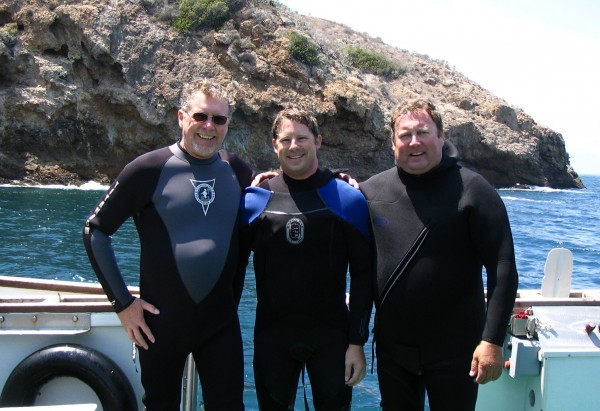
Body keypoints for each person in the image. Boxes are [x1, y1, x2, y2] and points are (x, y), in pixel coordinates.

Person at [82, 79, 252, 410]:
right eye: (200, 116)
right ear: (181, 117)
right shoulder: (149, 169)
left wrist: (340, 182)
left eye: (219, 120)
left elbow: (282, 196)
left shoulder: (237, 170)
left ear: (227, 125)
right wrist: (123, 304)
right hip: (161, 324)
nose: (209, 126)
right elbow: (95, 230)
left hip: (221, 324)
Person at [360, 99, 519, 411]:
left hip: (456, 350)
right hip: (394, 350)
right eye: (405, 135)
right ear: (393, 142)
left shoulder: (474, 190)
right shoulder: (370, 192)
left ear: (442, 137)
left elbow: (503, 269)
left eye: (423, 132)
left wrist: (492, 341)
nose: (414, 142)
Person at [238, 108, 374, 410]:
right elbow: (230, 269)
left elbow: (364, 275)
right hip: (273, 338)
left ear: (318, 141)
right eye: (285, 139)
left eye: (302, 138)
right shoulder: (255, 199)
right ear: (275, 145)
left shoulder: (347, 199)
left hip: (332, 339)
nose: (294, 146)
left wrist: (357, 342)